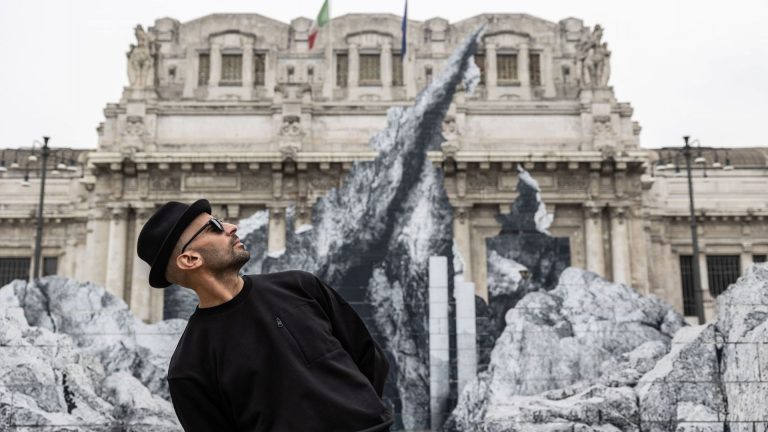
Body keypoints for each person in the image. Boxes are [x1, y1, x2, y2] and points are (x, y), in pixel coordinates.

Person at [137, 199, 393, 431]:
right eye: (214, 226)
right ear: (190, 259)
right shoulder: (189, 367)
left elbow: (368, 356)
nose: (231, 227)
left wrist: (363, 414)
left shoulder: (301, 286)